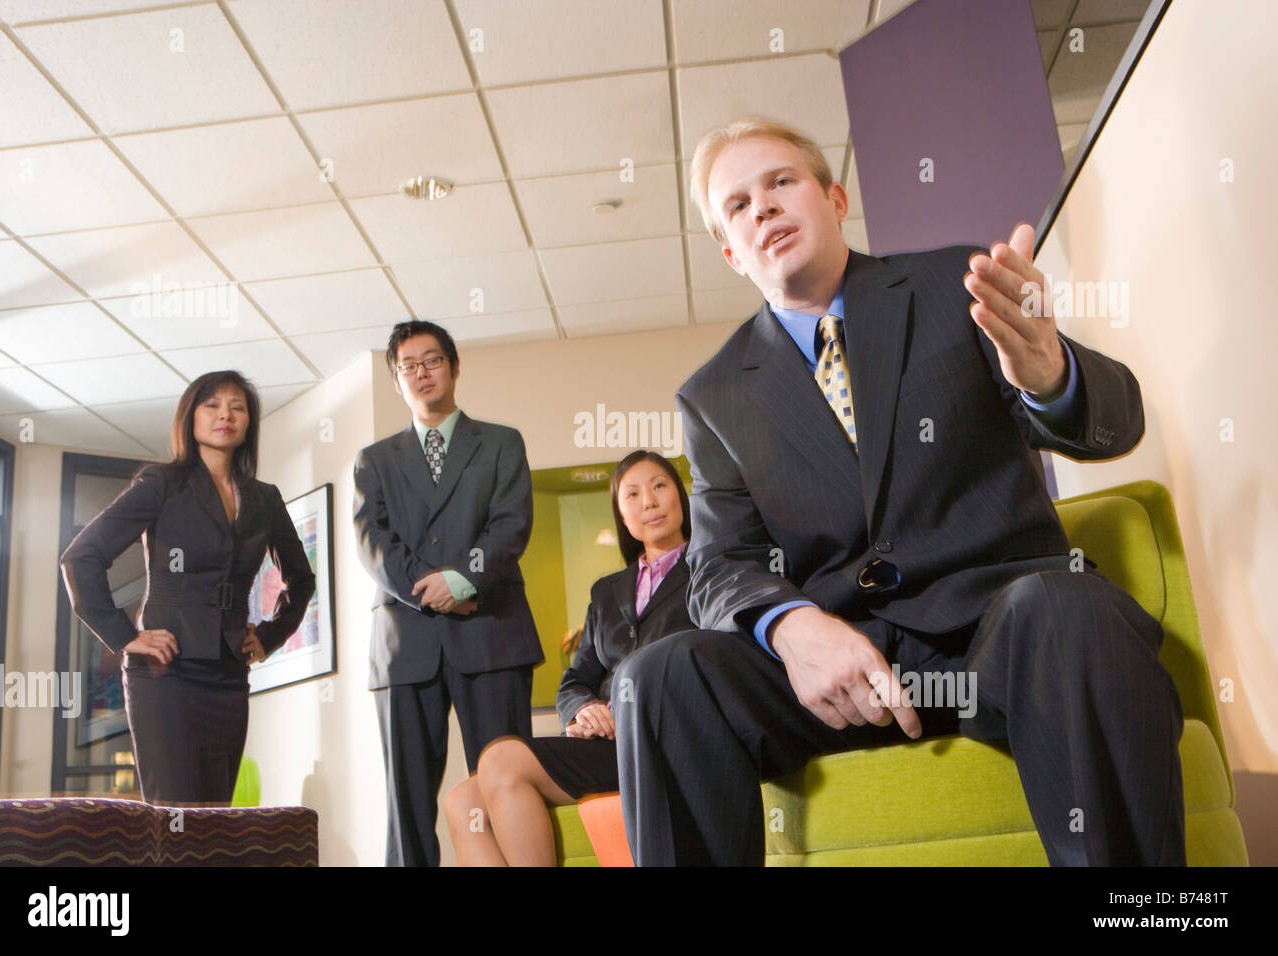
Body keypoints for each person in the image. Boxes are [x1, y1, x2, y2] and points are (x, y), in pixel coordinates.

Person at [614, 118, 1185, 866]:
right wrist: (792, 626)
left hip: (999, 640)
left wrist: (1051, 375)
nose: (762, 208)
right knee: (656, 675)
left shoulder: (958, 284)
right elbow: (721, 566)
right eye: (737, 205)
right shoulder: (713, 396)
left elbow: (1117, 424)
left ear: (834, 197)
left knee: (1065, 605)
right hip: (835, 674)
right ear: (730, 251)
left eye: (781, 182)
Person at [60, 370, 316, 805]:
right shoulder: (161, 485)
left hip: (229, 675)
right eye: (212, 405)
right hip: (165, 674)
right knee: (173, 819)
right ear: (190, 417)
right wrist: (125, 637)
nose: (225, 415)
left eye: (237, 407)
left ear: (249, 423)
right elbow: (80, 559)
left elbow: (301, 579)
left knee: (213, 820)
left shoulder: (264, 498)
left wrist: (269, 636)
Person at [353, 320, 544, 867]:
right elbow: (375, 545)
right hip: (405, 645)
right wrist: (431, 592)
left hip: (492, 632)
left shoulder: (502, 443)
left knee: (504, 783)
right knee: (407, 799)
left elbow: (510, 526)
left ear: (454, 367)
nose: (421, 372)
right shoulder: (374, 460)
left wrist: (462, 580)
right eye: (408, 366)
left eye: (431, 360)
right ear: (396, 381)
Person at [444, 451, 694, 866]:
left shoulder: (709, 569)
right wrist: (585, 708)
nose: (648, 501)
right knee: (462, 801)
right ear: (622, 515)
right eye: (632, 494)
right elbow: (575, 679)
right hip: (602, 742)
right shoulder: (606, 591)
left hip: (658, 739)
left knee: (501, 761)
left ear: (680, 497)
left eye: (660, 486)